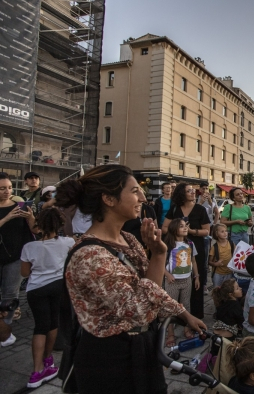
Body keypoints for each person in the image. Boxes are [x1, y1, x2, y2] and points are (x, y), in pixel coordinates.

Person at [55, 165, 206, 394]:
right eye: (135, 191)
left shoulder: (129, 239)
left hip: (141, 345)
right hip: (110, 358)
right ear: (108, 199)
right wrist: (179, 308)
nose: (143, 198)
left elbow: (150, 292)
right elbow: (140, 308)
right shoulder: (89, 256)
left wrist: (158, 254)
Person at [20, 208, 75, 388]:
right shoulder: (68, 242)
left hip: (36, 289)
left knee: (39, 327)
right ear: (60, 224)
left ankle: (37, 370)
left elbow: (25, 272)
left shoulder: (29, 247)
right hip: (58, 285)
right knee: (53, 323)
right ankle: (47, 359)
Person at [0, 172, 37, 347]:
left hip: (15, 257)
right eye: (2, 188)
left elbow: (35, 230)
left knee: (10, 295)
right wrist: (7, 217)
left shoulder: (21, 205)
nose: (7, 191)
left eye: (9, 188)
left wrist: (30, 217)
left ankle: (6, 331)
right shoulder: (9, 211)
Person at [162, 183, 210, 316]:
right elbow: (164, 228)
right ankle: (175, 316)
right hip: (176, 250)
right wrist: (177, 232)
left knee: (196, 280)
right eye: (189, 191)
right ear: (181, 194)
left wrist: (191, 231)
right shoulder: (174, 209)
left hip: (195, 249)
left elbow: (207, 231)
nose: (193, 192)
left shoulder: (200, 209)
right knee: (177, 280)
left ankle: (195, 315)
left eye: (193, 190)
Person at [163, 218, 200, 345]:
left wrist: (196, 276)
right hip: (172, 281)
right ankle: (170, 333)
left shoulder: (190, 243)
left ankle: (186, 328)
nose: (185, 228)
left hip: (187, 280)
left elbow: (193, 261)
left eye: (185, 226)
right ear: (174, 229)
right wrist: (167, 274)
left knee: (186, 305)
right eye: (181, 226)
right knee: (171, 307)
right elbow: (160, 263)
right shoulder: (168, 245)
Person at [197, 181, 218, 288]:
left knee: (206, 250)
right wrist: (201, 201)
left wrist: (214, 224)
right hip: (197, 228)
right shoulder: (197, 199)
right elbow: (194, 211)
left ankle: (204, 283)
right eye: (203, 188)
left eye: (207, 188)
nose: (205, 190)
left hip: (208, 228)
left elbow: (215, 212)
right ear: (200, 190)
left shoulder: (212, 199)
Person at [209, 223, 235, 288]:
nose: (225, 233)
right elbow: (209, 261)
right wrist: (215, 264)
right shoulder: (214, 247)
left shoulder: (231, 243)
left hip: (229, 272)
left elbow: (236, 254)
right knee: (217, 291)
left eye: (226, 231)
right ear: (216, 234)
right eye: (222, 231)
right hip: (218, 274)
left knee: (228, 291)